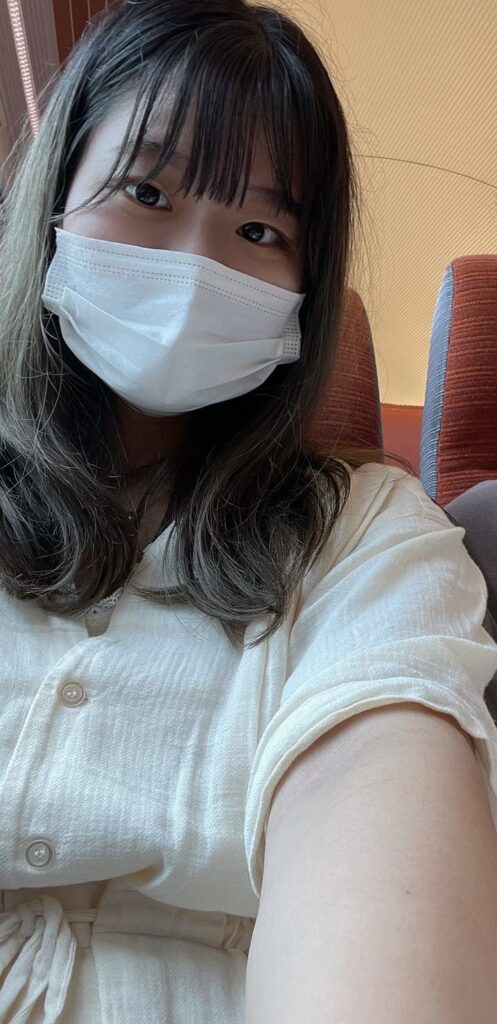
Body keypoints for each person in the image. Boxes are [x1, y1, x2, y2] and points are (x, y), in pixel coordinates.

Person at [1, 2, 497, 1021]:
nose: (196, 266)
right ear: (54, 195)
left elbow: (380, 777)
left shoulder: (364, 533)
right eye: (145, 190)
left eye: (260, 230)